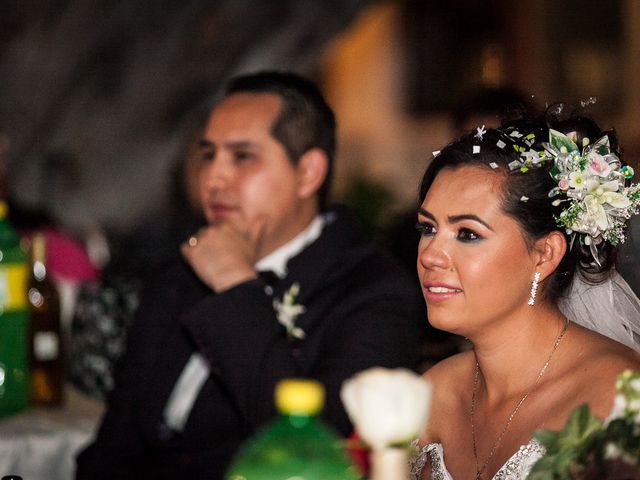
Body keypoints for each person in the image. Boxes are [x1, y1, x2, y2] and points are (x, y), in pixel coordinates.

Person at [75, 71, 426, 479]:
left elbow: (318, 451)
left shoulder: (374, 292)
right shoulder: (181, 269)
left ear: (308, 172)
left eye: (243, 157)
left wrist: (236, 286)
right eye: (208, 155)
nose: (214, 179)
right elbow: (117, 440)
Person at [409, 113, 640, 479]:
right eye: (427, 228)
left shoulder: (621, 400)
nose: (430, 255)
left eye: (467, 233)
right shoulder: (433, 393)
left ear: (545, 254)